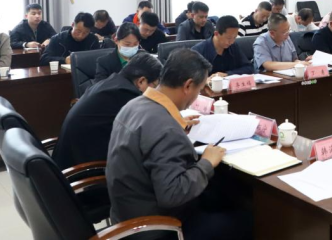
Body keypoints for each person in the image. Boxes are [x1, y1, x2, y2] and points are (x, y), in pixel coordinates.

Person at [107, 49, 252, 240]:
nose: (197, 96)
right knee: (244, 219)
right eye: (199, 89)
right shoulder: (165, 128)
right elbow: (172, 195)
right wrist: (207, 162)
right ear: (188, 85)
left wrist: (175, 127)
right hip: (155, 228)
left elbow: (150, 140)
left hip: (127, 214)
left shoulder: (133, 105)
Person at [53, 53, 161, 170]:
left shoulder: (114, 82)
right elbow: (145, 133)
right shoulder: (126, 94)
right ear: (141, 81)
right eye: (155, 86)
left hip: (69, 159)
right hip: (83, 169)